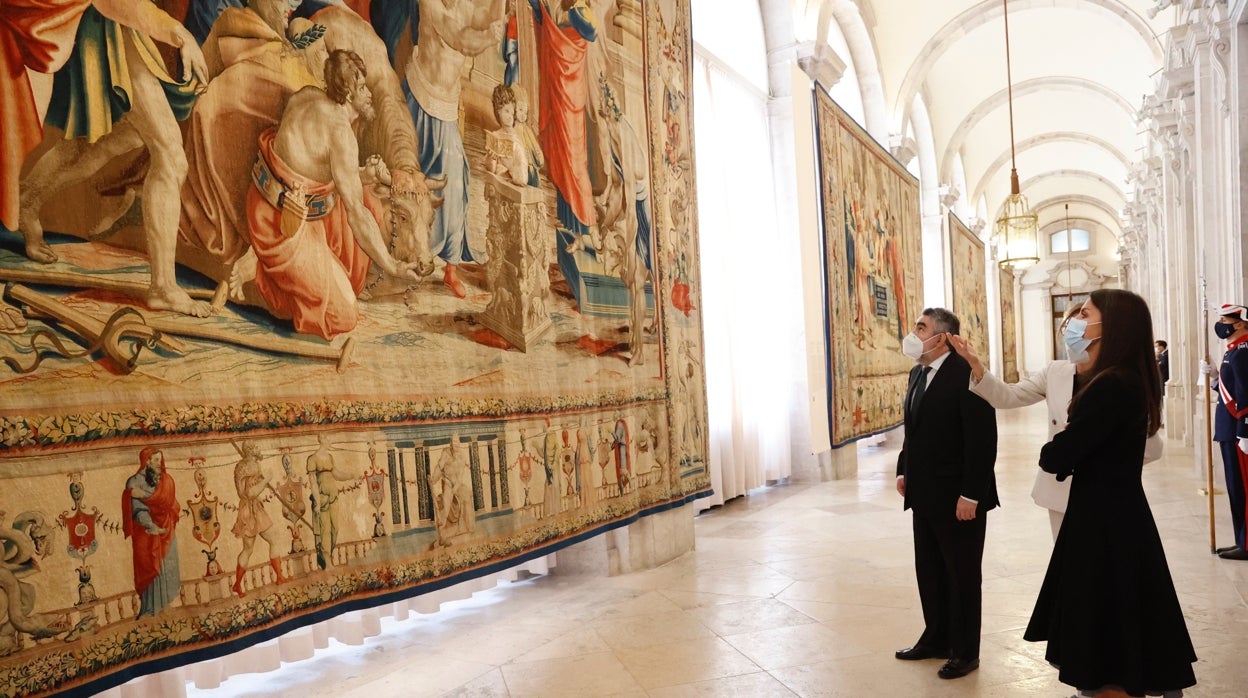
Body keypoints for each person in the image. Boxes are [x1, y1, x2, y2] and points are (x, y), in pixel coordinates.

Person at [1023, 289, 1196, 697]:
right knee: (1123, 609)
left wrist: (1062, 440)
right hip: (1117, 511)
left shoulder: (1109, 386)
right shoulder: (1129, 378)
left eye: (1086, 313)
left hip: (1102, 522)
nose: (1076, 321)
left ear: (1111, 325)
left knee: (1107, 620)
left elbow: (1057, 457)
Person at [237, 49, 428, 339]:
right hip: (285, 227)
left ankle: (319, 271)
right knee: (344, 314)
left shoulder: (307, 95)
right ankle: (260, 272)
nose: (368, 94)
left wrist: (362, 175)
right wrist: (394, 266)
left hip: (271, 202)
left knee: (370, 202)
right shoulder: (341, 133)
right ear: (349, 92)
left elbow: (313, 166)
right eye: (362, 88)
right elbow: (356, 215)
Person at [949, 304, 1162, 541]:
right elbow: (1009, 396)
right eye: (1071, 323)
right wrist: (977, 366)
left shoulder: (1120, 380)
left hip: (1107, 492)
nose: (1073, 329)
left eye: (1083, 317)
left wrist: (1104, 464)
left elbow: (1151, 447)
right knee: (1068, 562)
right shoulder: (1055, 372)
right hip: (1061, 488)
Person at [894, 308, 997, 681]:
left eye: (920, 327)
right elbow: (914, 429)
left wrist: (972, 494)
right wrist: (904, 468)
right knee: (931, 571)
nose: (913, 332)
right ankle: (936, 638)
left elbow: (983, 441)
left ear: (943, 338)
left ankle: (965, 651)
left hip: (958, 496)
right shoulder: (917, 371)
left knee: (962, 575)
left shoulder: (968, 374)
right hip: (924, 491)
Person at [402, 0, 507, 298]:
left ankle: (450, 268)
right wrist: (489, 36)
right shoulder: (431, 3)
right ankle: (409, 255)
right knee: (413, 182)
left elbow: (485, 15)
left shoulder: (463, 3)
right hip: (421, 99)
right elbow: (459, 38)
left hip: (446, 106)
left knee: (456, 188)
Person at [1204, 304, 1248, 560]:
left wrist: (1245, 431)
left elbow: (1245, 393)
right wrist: (1213, 379)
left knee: (1242, 487)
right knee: (1235, 488)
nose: (1221, 324)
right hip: (1228, 428)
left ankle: (1246, 543)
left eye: (1225, 320)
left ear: (1241, 323)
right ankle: (1241, 539)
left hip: (1237, 430)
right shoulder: (1233, 350)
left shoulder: (1242, 350)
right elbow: (1229, 387)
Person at [122, 447, 181, 618]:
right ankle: (149, 608)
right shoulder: (134, 482)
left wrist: (173, 510)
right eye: (155, 460)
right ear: (146, 461)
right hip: (145, 532)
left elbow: (170, 501)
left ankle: (165, 604)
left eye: (160, 460)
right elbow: (137, 508)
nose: (159, 464)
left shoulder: (165, 480)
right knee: (150, 566)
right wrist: (150, 524)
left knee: (167, 566)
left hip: (166, 529)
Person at [231, 442, 287, 597]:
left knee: (253, 547)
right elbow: (249, 493)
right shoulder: (248, 467)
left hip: (252, 508)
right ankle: (238, 584)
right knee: (254, 547)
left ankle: (279, 577)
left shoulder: (249, 465)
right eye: (256, 447)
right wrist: (265, 479)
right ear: (250, 450)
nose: (259, 449)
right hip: (250, 511)